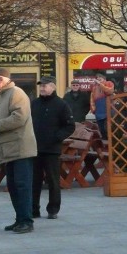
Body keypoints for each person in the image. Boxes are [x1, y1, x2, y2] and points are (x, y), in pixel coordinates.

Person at [0, 68, 37, 234]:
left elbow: (19, 118)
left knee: (22, 186)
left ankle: (27, 221)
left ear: (1, 79)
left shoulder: (16, 93)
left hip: (20, 148)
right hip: (10, 148)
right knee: (14, 186)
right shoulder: (3, 95)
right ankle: (20, 219)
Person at [30, 76, 74, 220]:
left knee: (53, 181)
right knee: (34, 181)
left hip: (51, 150)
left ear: (53, 87)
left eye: (45, 85)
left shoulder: (61, 104)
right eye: (41, 86)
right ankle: (33, 209)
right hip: (34, 148)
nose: (42, 88)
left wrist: (56, 137)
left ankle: (53, 209)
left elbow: (69, 126)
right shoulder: (34, 104)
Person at [90, 72, 115, 140]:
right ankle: (104, 141)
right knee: (101, 128)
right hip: (98, 110)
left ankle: (110, 141)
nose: (98, 80)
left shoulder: (109, 83)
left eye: (100, 79)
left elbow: (109, 91)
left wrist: (100, 84)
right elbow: (92, 98)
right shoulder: (94, 87)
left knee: (108, 127)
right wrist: (93, 109)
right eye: (97, 79)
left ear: (104, 78)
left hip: (108, 109)